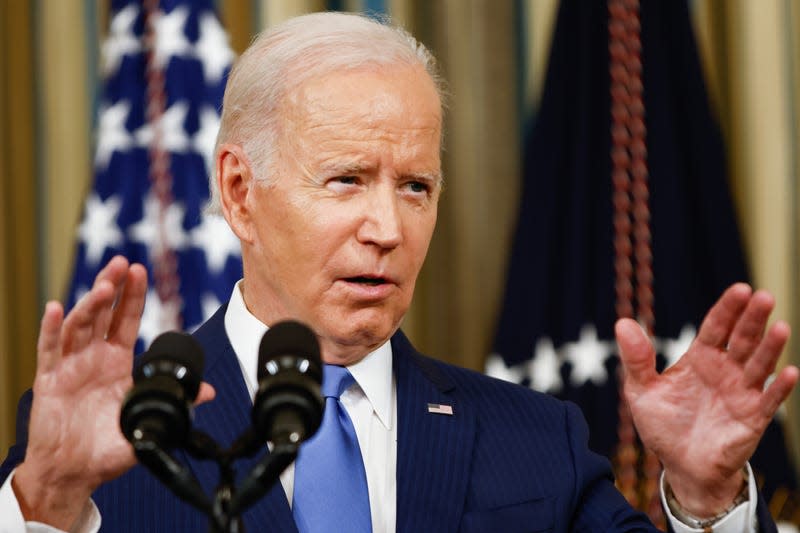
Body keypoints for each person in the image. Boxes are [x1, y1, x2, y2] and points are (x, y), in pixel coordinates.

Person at [1, 11, 798, 533]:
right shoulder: (110, 442)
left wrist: (704, 501)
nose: (388, 229)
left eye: (415, 186)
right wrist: (46, 505)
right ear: (240, 192)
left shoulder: (537, 440)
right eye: (346, 180)